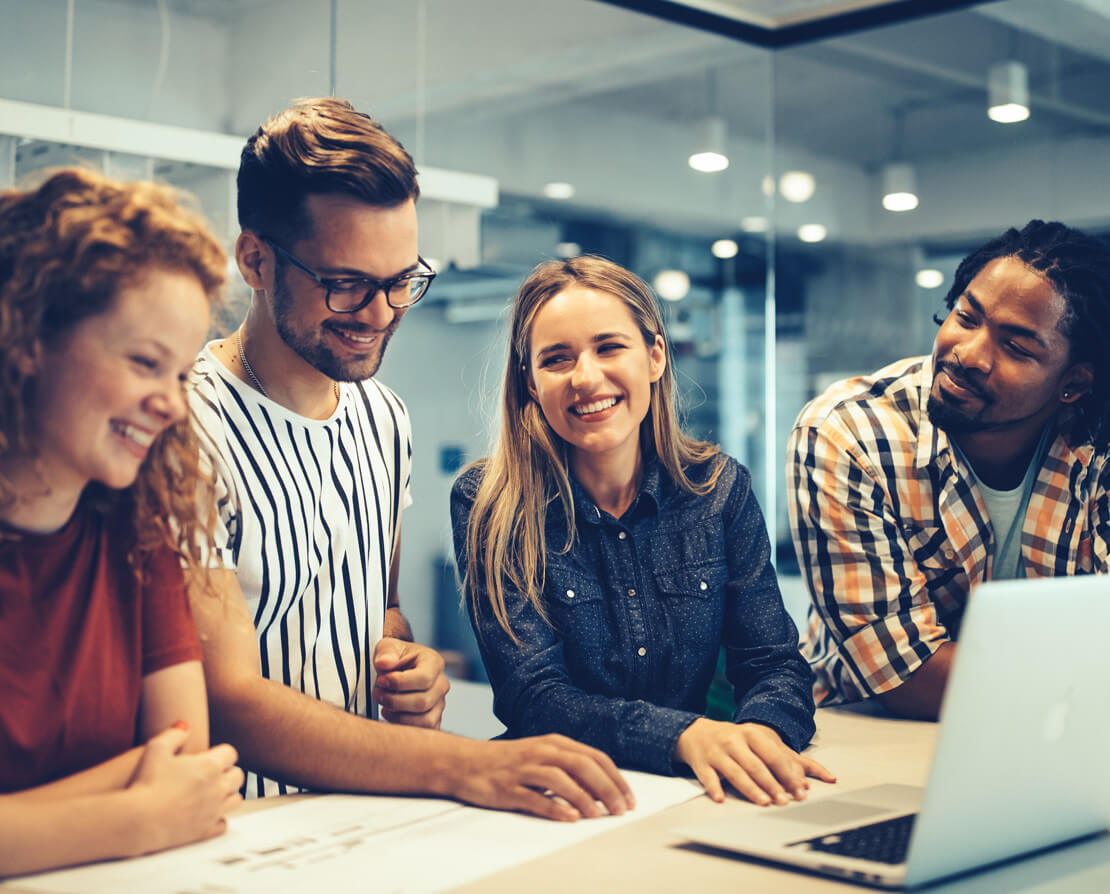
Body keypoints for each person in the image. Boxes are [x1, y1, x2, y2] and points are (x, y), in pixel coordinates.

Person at [187, 98, 632, 820]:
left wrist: (412, 667)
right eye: (346, 283)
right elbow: (224, 697)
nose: (382, 312)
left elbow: (382, 611)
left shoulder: (383, 418)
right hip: (231, 829)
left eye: (402, 281)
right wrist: (462, 763)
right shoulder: (182, 426)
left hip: (366, 818)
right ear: (255, 259)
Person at [452, 255, 834, 807]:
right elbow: (532, 697)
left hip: (695, 796)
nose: (585, 377)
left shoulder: (719, 490)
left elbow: (773, 663)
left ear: (655, 356)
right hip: (556, 802)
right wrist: (681, 736)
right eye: (556, 359)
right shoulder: (490, 504)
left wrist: (761, 742)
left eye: (609, 347)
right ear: (531, 384)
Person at [0, 168, 243, 876]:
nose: (170, 404)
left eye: (179, 375)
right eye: (145, 363)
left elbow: (190, 766)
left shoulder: (137, 534)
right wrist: (133, 816)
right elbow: (166, 798)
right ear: (28, 339)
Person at [788, 219, 1110, 719]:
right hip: (866, 731)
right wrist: (1071, 689)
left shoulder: (1097, 448)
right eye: (966, 316)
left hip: (1064, 733)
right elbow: (904, 676)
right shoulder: (849, 433)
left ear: (1073, 383)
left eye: (1016, 347)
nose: (968, 354)